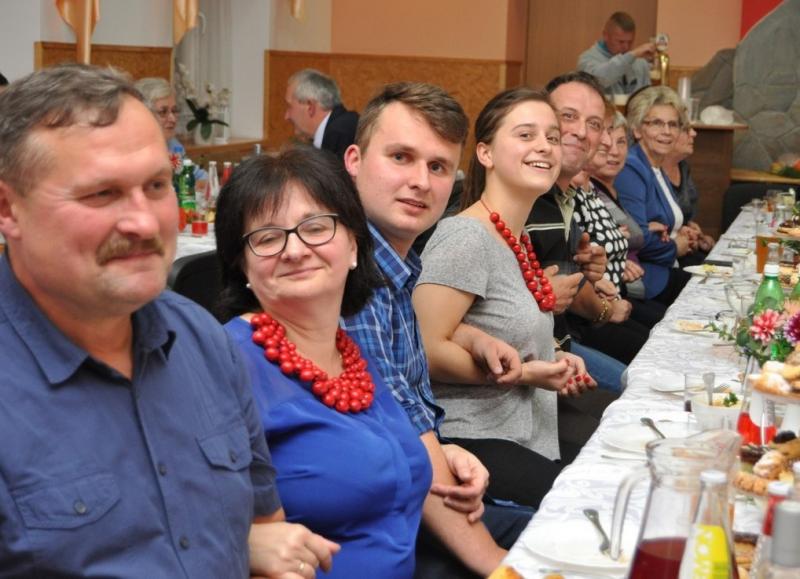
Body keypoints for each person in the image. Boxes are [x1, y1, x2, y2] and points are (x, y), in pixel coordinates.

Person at [0, 63, 338, 578]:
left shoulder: (201, 339)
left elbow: (264, 527)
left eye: (157, 185)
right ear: (8, 208)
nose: (144, 222)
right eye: (102, 193)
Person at [341, 82, 529, 578]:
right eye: (400, 157)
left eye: (438, 167)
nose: (420, 182)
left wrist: (471, 336)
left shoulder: (396, 263)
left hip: (416, 480)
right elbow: (401, 435)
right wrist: (498, 566)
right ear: (354, 160)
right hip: (378, 523)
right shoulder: (348, 276)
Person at [215, 147, 431, 578]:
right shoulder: (225, 364)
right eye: (268, 238)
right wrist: (242, 542)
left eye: (316, 227)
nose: (294, 250)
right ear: (243, 265)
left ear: (354, 245)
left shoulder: (349, 351)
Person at [412, 87, 596, 489]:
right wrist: (526, 373)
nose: (544, 146)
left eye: (552, 137)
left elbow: (498, 328)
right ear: (486, 153)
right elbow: (424, 349)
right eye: (526, 135)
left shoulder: (516, 238)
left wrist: (554, 355)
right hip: (472, 443)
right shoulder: (466, 237)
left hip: (524, 434)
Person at [575, 108, 667, 329]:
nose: (610, 147)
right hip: (594, 313)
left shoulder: (591, 190)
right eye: (603, 133)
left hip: (615, 299)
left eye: (620, 142)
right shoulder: (573, 191)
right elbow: (572, 264)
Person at [615, 85, 693, 305]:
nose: (666, 131)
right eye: (657, 123)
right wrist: (675, 247)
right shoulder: (632, 167)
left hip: (665, 269)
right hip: (646, 280)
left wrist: (678, 229)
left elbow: (659, 223)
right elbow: (639, 239)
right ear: (637, 130)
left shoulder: (655, 166)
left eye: (673, 124)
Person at [134, 77, 207, 181]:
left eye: (174, 110)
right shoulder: (133, 151)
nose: (173, 119)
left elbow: (198, 175)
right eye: (163, 112)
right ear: (144, 114)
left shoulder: (173, 145)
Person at [663, 123, 715, 264]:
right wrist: (678, 232)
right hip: (667, 256)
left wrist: (697, 234)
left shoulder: (683, 166)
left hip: (686, 250)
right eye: (686, 129)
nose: (693, 133)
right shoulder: (651, 172)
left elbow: (686, 214)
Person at [284, 69, 359, 159]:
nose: (286, 116)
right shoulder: (336, 130)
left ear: (310, 107)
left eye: (289, 106)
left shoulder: (341, 134)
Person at [578, 11, 654, 97]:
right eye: (621, 42)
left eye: (630, 42)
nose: (626, 47)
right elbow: (601, 79)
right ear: (605, 35)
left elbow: (647, 97)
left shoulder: (640, 62)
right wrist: (632, 55)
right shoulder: (587, 60)